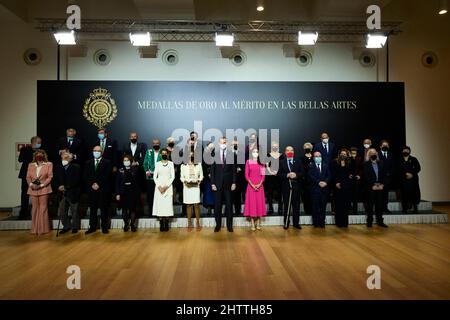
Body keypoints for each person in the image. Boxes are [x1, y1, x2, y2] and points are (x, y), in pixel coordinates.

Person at [84, 146, 113, 234]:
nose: (96, 152)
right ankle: (92, 227)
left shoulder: (107, 162)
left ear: (102, 152)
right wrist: (92, 184)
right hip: (92, 189)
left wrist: (98, 184)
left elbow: (107, 175)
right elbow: (85, 176)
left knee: (104, 208)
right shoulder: (88, 163)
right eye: (94, 150)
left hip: (103, 189)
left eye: (98, 151)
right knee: (93, 209)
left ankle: (104, 227)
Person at [210, 137, 237, 232]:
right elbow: (212, 170)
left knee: (229, 205)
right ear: (218, 143)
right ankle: (218, 225)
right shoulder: (214, 154)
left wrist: (234, 182)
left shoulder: (232, 154)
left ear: (227, 143)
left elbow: (234, 170)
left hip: (229, 184)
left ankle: (230, 226)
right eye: (221, 142)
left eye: (224, 142)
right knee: (217, 206)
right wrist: (212, 183)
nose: (223, 144)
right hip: (217, 184)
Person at [26, 149, 53, 235]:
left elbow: (50, 177)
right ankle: (34, 229)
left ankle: (43, 229)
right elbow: (28, 177)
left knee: (43, 208)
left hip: (44, 189)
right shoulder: (31, 165)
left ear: (44, 155)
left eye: (41, 155)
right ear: (35, 156)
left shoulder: (49, 164)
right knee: (34, 209)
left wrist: (41, 185)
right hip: (33, 189)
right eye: (37, 155)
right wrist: (31, 185)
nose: (39, 156)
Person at [55, 152, 81, 234]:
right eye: (62, 158)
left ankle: (75, 227)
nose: (64, 160)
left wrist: (66, 187)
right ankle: (66, 226)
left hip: (73, 192)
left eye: (66, 158)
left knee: (74, 211)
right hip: (62, 193)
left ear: (70, 159)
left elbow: (77, 180)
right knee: (62, 211)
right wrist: (58, 186)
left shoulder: (76, 167)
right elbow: (55, 179)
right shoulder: (58, 167)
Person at [278, 146, 302, 230]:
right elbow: (279, 174)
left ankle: (296, 223)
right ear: (285, 152)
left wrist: (296, 175)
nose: (289, 152)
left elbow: (302, 173)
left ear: (294, 152)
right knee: (287, 206)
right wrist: (286, 175)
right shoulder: (281, 162)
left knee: (296, 206)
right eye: (288, 150)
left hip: (296, 187)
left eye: (291, 150)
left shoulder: (298, 161)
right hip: (286, 188)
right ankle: (286, 222)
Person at [18, 136, 42, 220]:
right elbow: (20, 160)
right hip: (26, 175)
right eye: (39, 142)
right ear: (34, 142)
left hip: (37, 175)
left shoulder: (41, 151)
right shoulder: (25, 149)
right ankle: (23, 214)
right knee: (25, 194)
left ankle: (37, 214)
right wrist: (33, 157)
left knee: (38, 193)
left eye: (40, 143)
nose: (40, 144)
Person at [363, 148, 388, 228]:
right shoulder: (366, 164)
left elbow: (384, 175)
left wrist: (382, 185)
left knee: (379, 205)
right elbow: (366, 177)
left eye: (375, 153)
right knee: (370, 206)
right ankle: (369, 222)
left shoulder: (381, 163)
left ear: (377, 154)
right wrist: (372, 185)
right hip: (371, 188)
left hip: (380, 187)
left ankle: (380, 221)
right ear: (369, 155)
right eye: (371, 153)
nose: (373, 154)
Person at [116, 155, 141, 232]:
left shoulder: (135, 170)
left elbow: (138, 182)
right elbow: (117, 183)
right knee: (124, 209)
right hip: (123, 192)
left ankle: (132, 224)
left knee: (133, 209)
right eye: (125, 160)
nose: (126, 161)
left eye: (127, 160)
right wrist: (118, 194)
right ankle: (126, 224)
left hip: (133, 192)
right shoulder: (120, 170)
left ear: (130, 161)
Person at [243, 148, 266, 231]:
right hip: (251, 186)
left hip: (260, 186)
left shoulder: (262, 163)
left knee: (259, 203)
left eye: (257, 152)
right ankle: (252, 223)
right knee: (252, 204)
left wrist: (259, 184)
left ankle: (259, 222)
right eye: (254, 152)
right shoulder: (248, 162)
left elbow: (263, 176)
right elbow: (246, 174)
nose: (255, 153)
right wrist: (252, 184)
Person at [180, 151, 204, 231]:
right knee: (189, 205)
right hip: (187, 187)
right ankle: (189, 223)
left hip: (196, 187)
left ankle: (198, 223)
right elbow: (181, 177)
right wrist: (185, 181)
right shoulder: (183, 166)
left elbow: (201, 176)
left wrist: (198, 181)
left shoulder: (199, 165)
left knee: (196, 205)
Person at [153, 148, 175, 232]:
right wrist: (159, 187)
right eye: (163, 153)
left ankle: (166, 223)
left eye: (166, 153)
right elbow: (155, 176)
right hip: (159, 187)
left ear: (168, 154)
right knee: (160, 205)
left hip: (168, 187)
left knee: (167, 205)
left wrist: (166, 187)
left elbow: (172, 176)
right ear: (160, 155)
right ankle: (161, 223)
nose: (164, 154)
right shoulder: (157, 164)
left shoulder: (171, 164)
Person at [308, 151, 331, 228]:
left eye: (319, 156)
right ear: (314, 158)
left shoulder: (325, 165)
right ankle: (316, 222)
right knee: (315, 207)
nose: (318, 157)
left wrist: (325, 182)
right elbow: (310, 176)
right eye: (316, 156)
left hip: (324, 189)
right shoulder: (310, 166)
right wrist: (318, 182)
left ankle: (322, 222)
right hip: (315, 190)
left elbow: (329, 175)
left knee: (323, 207)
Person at [332, 149, 352, 228]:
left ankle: (345, 223)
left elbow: (351, 175)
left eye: (345, 154)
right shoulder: (334, 162)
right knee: (338, 205)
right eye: (342, 154)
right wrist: (336, 183)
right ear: (339, 154)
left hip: (346, 187)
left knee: (345, 205)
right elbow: (333, 174)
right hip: (337, 186)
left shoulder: (349, 163)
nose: (343, 155)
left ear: (347, 155)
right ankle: (339, 223)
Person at [399, 146, 421, 213]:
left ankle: (415, 209)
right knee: (404, 194)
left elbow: (418, 168)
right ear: (402, 151)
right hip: (403, 180)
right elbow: (398, 169)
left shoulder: (414, 159)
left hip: (413, 179)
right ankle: (404, 209)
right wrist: (405, 174)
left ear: (409, 151)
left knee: (414, 194)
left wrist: (412, 174)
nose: (406, 151)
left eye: (407, 150)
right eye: (404, 150)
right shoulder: (399, 159)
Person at [143, 139, 162, 216]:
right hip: (150, 178)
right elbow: (145, 163)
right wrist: (147, 171)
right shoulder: (149, 152)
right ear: (152, 144)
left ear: (160, 144)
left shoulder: (163, 152)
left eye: (157, 143)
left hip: (160, 178)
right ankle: (151, 212)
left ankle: (159, 212)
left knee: (160, 195)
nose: (155, 144)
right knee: (150, 196)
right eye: (154, 143)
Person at [378, 140, 396, 213]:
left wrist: (389, 174)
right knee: (379, 194)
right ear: (380, 146)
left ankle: (385, 208)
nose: (385, 146)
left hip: (387, 178)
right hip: (378, 178)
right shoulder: (377, 154)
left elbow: (393, 166)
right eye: (383, 145)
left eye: (386, 145)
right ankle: (379, 208)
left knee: (385, 194)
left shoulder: (391, 155)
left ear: (388, 146)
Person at [265, 141, 283, 215]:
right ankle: (270, 209)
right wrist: (271, 172)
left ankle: (280, 209)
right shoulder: (268, 155)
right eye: (273, 146)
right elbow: (266, 165)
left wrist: (277, 172)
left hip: (279, 177)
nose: (274, 147)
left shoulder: (281, 155)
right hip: (270, 177)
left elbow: (283, 166)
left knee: (279, 194)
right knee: (269, 194)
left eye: (276, 146)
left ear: (278, 147)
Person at [231, 138, 246, 216]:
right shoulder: (228, 154)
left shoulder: (242, 154)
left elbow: (244, 165)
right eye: (233, 144)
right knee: (230, 196)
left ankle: (237, 211)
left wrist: (239, 168)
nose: (235, 145)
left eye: (236, 144)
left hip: (239, 179)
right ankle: (229, 211)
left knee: (238, 196)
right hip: (230, 179)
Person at [201, 142, 215, 216]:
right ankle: (208, 208)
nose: (211, 147)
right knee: (207, 193)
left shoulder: (214, 154)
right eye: (210, 146)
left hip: (214, 177)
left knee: (214, 193)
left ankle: (214, 207)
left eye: (212, 146)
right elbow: (203, 166)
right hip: (206, 177)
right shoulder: (203, 155)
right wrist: (207, 174)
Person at [300, 142, 314, 216]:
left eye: (308, 147)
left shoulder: (314, 157)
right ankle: (307, 210)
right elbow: (302, 169)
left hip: (314, 180)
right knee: (306, 195)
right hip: (305, 180)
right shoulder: (301, 158)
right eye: (305, 147)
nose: (307, 148)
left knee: (313, 195)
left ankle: (313, 210)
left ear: (311, 148)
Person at [349, 147, 364, 214]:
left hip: (357, 179)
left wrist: (359, 175)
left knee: (355, 195)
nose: (353, 153)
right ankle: (349, 209)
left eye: (355, 152)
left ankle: (355, 210)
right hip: (349, 179)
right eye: (352, 152)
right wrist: (348, 174)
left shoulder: (360, 159)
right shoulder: (348, 159)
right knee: (349, 195)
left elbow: (361, 168)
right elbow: (347, 168)